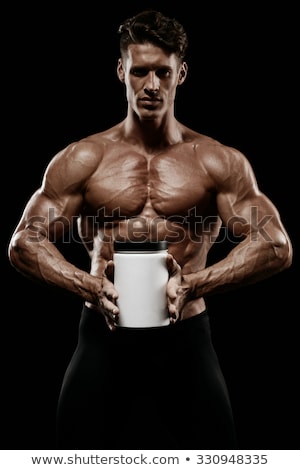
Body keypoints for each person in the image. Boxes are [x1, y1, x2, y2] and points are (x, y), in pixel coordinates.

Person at [8, 9, 292, 450]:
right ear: (122, 71)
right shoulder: (85, 159)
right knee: (72, 459)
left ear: (182, 73)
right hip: (105, 335)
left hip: (185, 340)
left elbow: (275, 245)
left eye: (163, 71)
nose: (152, 85)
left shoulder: (215, 161)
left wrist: (195, 283)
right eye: (140, 71)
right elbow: (24, 242)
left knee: (218, 459)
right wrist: (87, 286)